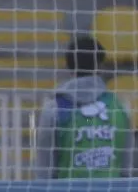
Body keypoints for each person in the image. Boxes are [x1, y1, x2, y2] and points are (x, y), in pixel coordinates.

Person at [34, 37, 131, 179]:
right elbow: (125, 168)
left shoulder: (54, 108)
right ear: (99, 65)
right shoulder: (119, 107)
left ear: (69, 66)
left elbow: (44, 171)